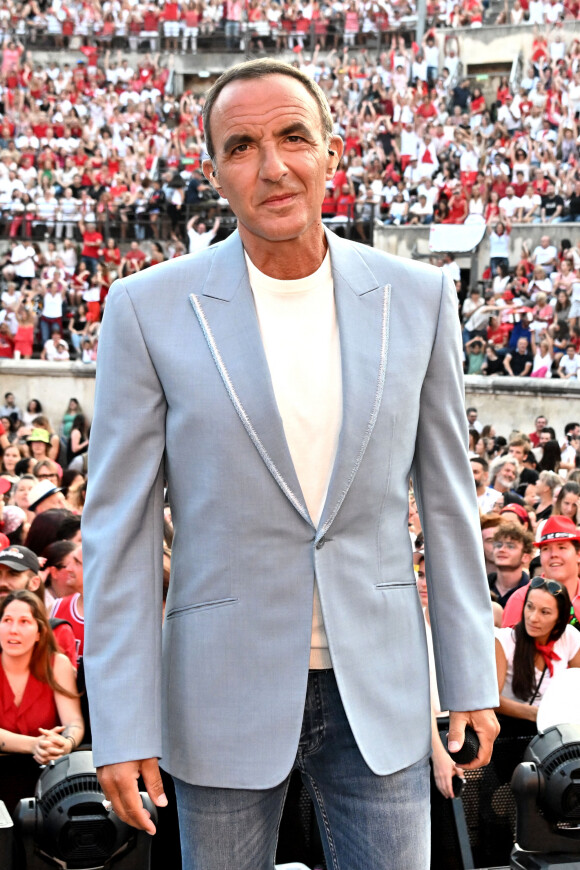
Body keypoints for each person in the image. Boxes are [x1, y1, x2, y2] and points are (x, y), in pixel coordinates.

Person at [83, 59, 499, 870]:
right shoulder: (146, 309)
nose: (273, 166)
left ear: (331, 152)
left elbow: (448, 503)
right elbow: (120, 536)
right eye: (242, 146)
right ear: (214, 173)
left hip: (380, 688)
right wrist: (124, 725)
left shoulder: (418, 297)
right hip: (218, 693)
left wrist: (468, 677)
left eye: (293, 137)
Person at [0, 589, 84, 759]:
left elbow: (73, 721)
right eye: (7, 620)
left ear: (40, 632)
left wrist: (66, 743)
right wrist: (34, 744)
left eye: (24, 621)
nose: (13, 630)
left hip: (47, 768)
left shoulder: (57, 664)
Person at [495, 579, 580, 732]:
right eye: (530, 607)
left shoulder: (569, 636)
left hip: (554, 733)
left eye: (544, 612)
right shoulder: (503, 641)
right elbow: (492, 700)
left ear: (559, 618)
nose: (533, 617)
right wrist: (537, 714)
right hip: (509, 732)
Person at [502, 516, 580, 628]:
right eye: (546, 549)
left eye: (562, 547)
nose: (554, 554)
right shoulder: (521, 599)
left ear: (578, 554)